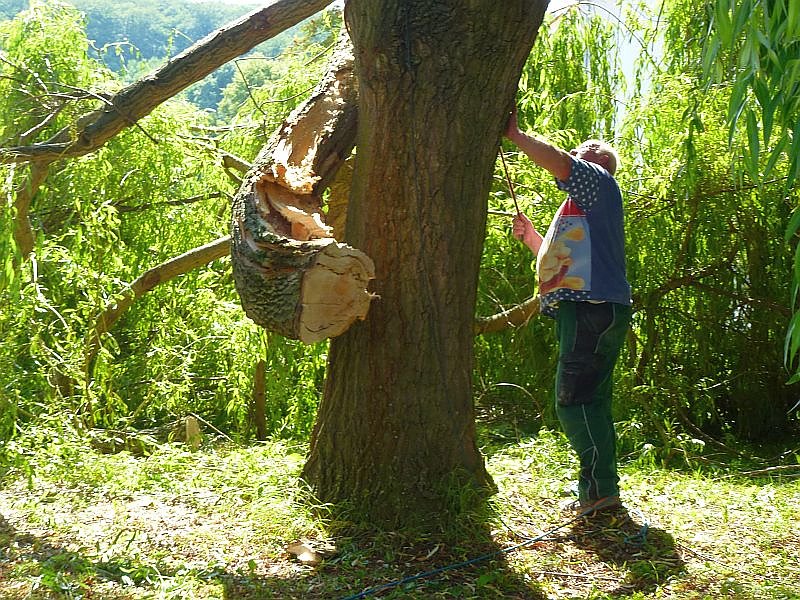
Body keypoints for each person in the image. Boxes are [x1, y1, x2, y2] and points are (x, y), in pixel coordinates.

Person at [504, 107, 632, 515]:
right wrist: (532, 238)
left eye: (592, 149)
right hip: (595, 309)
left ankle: (601, 491)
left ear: (601, 164)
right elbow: (560, 263)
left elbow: (560, 161)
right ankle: (598, 492)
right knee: (591, 402)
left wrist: (516, 135)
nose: (584, 148)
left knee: (573, 402)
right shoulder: (581, 207)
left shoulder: (599, 182)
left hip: (590, 309)